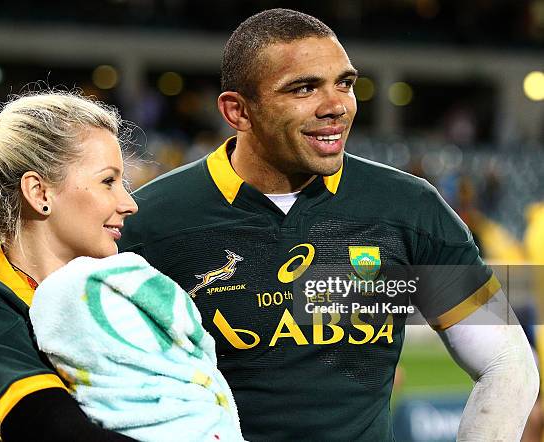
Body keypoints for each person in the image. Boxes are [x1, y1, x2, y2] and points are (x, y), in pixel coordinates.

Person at [118, 8, 539, 441]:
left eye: (346, 83)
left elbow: (508, 363)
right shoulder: (149, 223)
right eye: (304, 88)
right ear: (237, 112)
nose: (336, 105)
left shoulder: (409, 209)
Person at [0, 92, 140, 441]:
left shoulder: (117, 301)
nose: (129, 203)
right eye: (108, 181)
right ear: (40, 193)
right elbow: (57, 433)